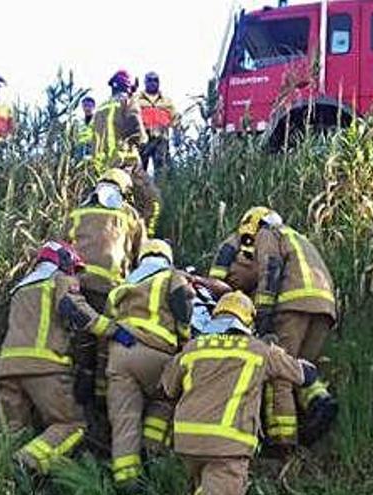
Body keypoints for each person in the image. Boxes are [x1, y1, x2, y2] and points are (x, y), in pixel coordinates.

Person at [161, 291, 317, 495]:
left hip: (187, 440)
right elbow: (304, 376)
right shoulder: (258, 350)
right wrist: (304, 365)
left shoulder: (193, 348)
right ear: (248, 322)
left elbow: (167, 387)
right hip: (227, 445)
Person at [213, 207, 338, 449]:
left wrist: (263, 313)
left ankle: (283, 442)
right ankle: (318, 403)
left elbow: (271, 267)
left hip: (292, 304)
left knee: (279, 372)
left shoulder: (267, 234)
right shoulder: (297, 237)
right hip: (323, 307)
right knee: (298, 368)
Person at [0, 241, 112, 474]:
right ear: (64, 262)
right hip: (44, 367)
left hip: (6, 369)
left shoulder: (20, 289)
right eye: (74, 270)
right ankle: (26, 464)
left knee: (12, 433)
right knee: (72, 425)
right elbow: (75, 310)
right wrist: (113, 329)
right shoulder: (60, 281)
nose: (75, 276)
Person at [64, 167, 146, 454]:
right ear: (124, 190)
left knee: (80, 347)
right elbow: (140, 257)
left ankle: (79, 408)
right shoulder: (130, 214)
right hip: (112, 289)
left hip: (78, 287)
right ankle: (100, 414)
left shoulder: (77, 213)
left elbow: (64, 248)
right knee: (105, 349)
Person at [103, 238, 194, 487]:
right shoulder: (171, 275)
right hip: (156, 354)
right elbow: (183, 300)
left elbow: (106, 322)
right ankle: (153, 455)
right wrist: (184, 338)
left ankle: (126, 480)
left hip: (119, 354)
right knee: (166, 399)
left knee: (124, 419)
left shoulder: (124, 283)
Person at [92, 70, 162, 237]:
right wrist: (145, 140)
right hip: (124, 165)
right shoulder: (128, 102)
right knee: (153, 203)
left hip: (99, 170)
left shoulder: (100, 108)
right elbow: (137, 133)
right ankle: (144, 241)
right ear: (129, 88)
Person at [136, 71, 175, 174]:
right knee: (139, 168)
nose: (152, 83)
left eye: (155, 80)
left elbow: (175, 118)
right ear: (145, 82)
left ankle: (162, 188)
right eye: (149, 80)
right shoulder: (136, 99)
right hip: (142, 139)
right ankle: (139, 189)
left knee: (162, 169)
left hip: (161, 139)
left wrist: (178, 134)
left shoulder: (167, 101)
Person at [74, 96, 97, 162]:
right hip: (80, 153)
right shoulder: (79, 122)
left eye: (89, 106)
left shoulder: (98, 120)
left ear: (94, 106)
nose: (87, 108)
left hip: (93, 151)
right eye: (85, 106)